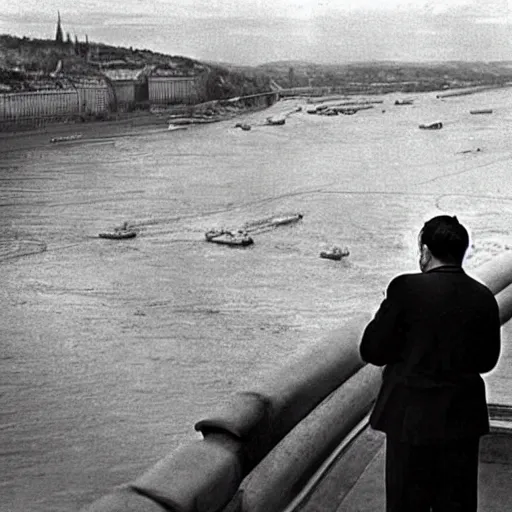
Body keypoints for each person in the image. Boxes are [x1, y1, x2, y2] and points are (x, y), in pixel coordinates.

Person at [359, 215, 501, 512]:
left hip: (410, 418)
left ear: (425, 251)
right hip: (462, 418)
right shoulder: (484, 297)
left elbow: (371, 349)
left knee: (406, 505)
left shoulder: (405, 289)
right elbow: (487, 361)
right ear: (462, 251)